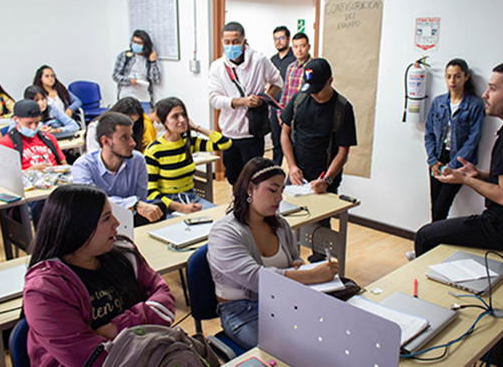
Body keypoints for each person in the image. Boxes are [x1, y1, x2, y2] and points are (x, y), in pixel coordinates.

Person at [413, 61, 503, 258]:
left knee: (424, 235)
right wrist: (480, 174)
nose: (485, 95)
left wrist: (466, 179)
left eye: (493, 89)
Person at [23, 184, 175, 366]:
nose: (116, 223)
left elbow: (165, 300)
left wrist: (115, 329)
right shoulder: (45, 290)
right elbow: (90, 360)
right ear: (78, 227)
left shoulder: (123, 253)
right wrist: (143, 326)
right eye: (106, 218)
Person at [207, 157, 338, 350]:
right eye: (272, 190)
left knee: (328, 338)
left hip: (283, 300)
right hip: (244, 312)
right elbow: (256, 278)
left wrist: (298, 263)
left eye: (282, 191)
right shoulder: (224, 232)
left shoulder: (280, 224)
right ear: (250, 188)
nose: (279, 197)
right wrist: (311, 275)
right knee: (296, 352)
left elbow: (294, 257)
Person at [281, 58, 357, 262]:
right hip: (298, 174)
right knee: (285, 218)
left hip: (325, 177)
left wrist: (328, 180)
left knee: (320, 225)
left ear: (330, 80)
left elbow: (343, 152)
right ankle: (288, 259)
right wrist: (292, 166)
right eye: (310, 88)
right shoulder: (299, 99)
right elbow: (284, 134)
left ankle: (320, 263)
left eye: (318, 88)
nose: (314, 93)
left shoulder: (342, 108)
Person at [208, 21, 283, 185]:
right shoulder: (217, 67)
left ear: (244, 41)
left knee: (255, 179)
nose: (231, 46)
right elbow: (214, 99)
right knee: (233, 178)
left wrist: (264, 100)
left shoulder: (259, 60)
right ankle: (238, 208)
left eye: (235, 41)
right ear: (222, 42)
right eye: (227, 42)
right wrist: (242, 101)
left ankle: (255, 209)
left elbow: (278, 82)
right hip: (229, 132)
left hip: (252, 133)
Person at [72, 112, 165, 227]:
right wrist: (133, 205)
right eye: (124, 137)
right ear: (106, 141)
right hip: (94, 229)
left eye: (131, 136)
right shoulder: (83, 166)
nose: (132, 143)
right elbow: (92, 203)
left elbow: (141, 201)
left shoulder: (137, 160)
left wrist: (136, 205)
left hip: (129, 225)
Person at [145, 97, 232, 217]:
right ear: (164, 121)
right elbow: (151, 193)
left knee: (224, 220)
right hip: (167, 205)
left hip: (191, 198)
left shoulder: (189, 142)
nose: (182, 120)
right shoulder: (154, 150)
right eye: (175, 116)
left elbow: (225, 143)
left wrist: (196, 128)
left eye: (184, 115)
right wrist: (181, 207)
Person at [424, 59, 484, 222]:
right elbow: (429, 133)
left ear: (466, 77)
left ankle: (432, 242)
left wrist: (451, 166)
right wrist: (433, 161)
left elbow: (473, 139)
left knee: (442, 206)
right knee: (435, 205)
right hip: (438, 158)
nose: (452, 81)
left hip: (460, 162)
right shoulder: (438, 102)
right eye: (448, 76)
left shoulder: (475, 105)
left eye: (457, 76)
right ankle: (434, 242)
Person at [0, 99, 67, 172]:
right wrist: (33, 170)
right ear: (16, 120)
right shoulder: (6, 143)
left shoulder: (48, 138)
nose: (33, 127)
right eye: (28, 123)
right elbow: (7, 177)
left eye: (36, 123)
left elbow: (64, 165)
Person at [85, 97, 156, 154]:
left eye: (134, 122)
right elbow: (93, 155)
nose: (130, 125)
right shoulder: (95, 127)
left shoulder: (135, 128)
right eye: (129, 119)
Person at [112, 30, 160, 113]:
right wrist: (129, 80)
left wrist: (153, 62)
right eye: (134, 42)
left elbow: (155, 80)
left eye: (139, 43)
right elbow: (115, 76)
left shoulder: (148, 59)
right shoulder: (125, 56)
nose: (136, 45)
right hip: (126, 95)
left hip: (143, 97)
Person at [269, 26, 296, 165]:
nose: (278, 42)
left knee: (292, 140)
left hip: (290, 107)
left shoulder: (294, 59)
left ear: (288, 39)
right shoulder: (272, 60)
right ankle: (276, 168)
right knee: (276, 140)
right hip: (275, 105)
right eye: (275, 39)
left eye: (281, 38)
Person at [6, 85, 79, 134]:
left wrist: (57, 130)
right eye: (36, 100)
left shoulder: (52, 109)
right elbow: (11, 134)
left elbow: (74, 126)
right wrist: (35, 131)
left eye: (43, 99)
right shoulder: (21, 116)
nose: (41, 103)